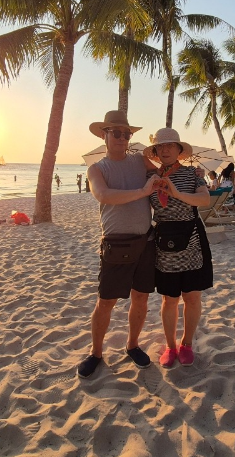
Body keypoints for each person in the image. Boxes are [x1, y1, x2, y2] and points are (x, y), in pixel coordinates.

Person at [78, 110, 159, 379]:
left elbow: (164, 174)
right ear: (104, 135)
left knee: (141, 297)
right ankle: (96, 352)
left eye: (127, 133)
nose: (122, 138)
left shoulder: (140, 160)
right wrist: (142, 192)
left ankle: (132, 345)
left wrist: (184, 172)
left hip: (146, 241)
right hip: (116, 243)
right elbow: (103, 195)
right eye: (116, 133)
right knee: (106, 301)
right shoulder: (96, 169)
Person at [144, 128, 212, 368]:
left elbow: (204, 200)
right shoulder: (149, 178)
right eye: (160, 147)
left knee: (192, 297)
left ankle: (187, 343)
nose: (165, 150)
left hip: (192, 235)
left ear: (179, 150)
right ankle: (171, 346)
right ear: (155, 151)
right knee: (169, 298)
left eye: (170, 145)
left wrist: (176, 193)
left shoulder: (193, 174)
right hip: (165, 239)